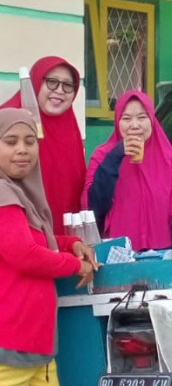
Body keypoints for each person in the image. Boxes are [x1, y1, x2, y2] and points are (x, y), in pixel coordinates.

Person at [0, 108, 96, 386]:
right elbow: (24, 254)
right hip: (9, 346)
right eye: (11, 141)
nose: (23, 150)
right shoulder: (3, 193)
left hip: (34, 347)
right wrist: (76, 265)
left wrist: (72, 243)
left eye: (30, 142)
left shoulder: (19, 192)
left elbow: (34, 239)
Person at [81, 90, 172, 251]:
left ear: (152, 121)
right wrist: (116, 156)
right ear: (117, 122)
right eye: (126, 118)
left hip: (162, 253)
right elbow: (94, 205)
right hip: (116, 251)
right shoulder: (103, 155)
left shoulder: (168, 158)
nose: (135, 125)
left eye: (142, 117)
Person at [1, 56, 86, 235]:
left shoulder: (69, 125)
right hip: (20, 231)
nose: (60, 91)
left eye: (68, 85)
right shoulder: (9, 119)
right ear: (36, 83)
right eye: (52, 82)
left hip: (64, 233)